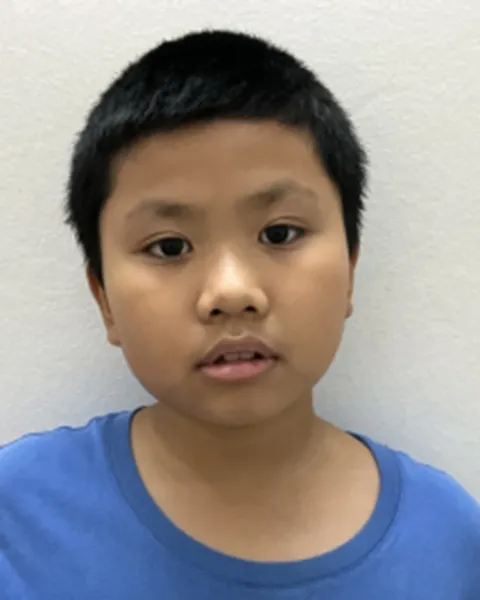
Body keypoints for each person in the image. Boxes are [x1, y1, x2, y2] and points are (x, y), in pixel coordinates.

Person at [0, 29, 478, 599]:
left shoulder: (448, 540)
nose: (230, 292)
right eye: (169, 247)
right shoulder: (17, 518)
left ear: (350, 270)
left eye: (279, 234)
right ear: (103, 298)